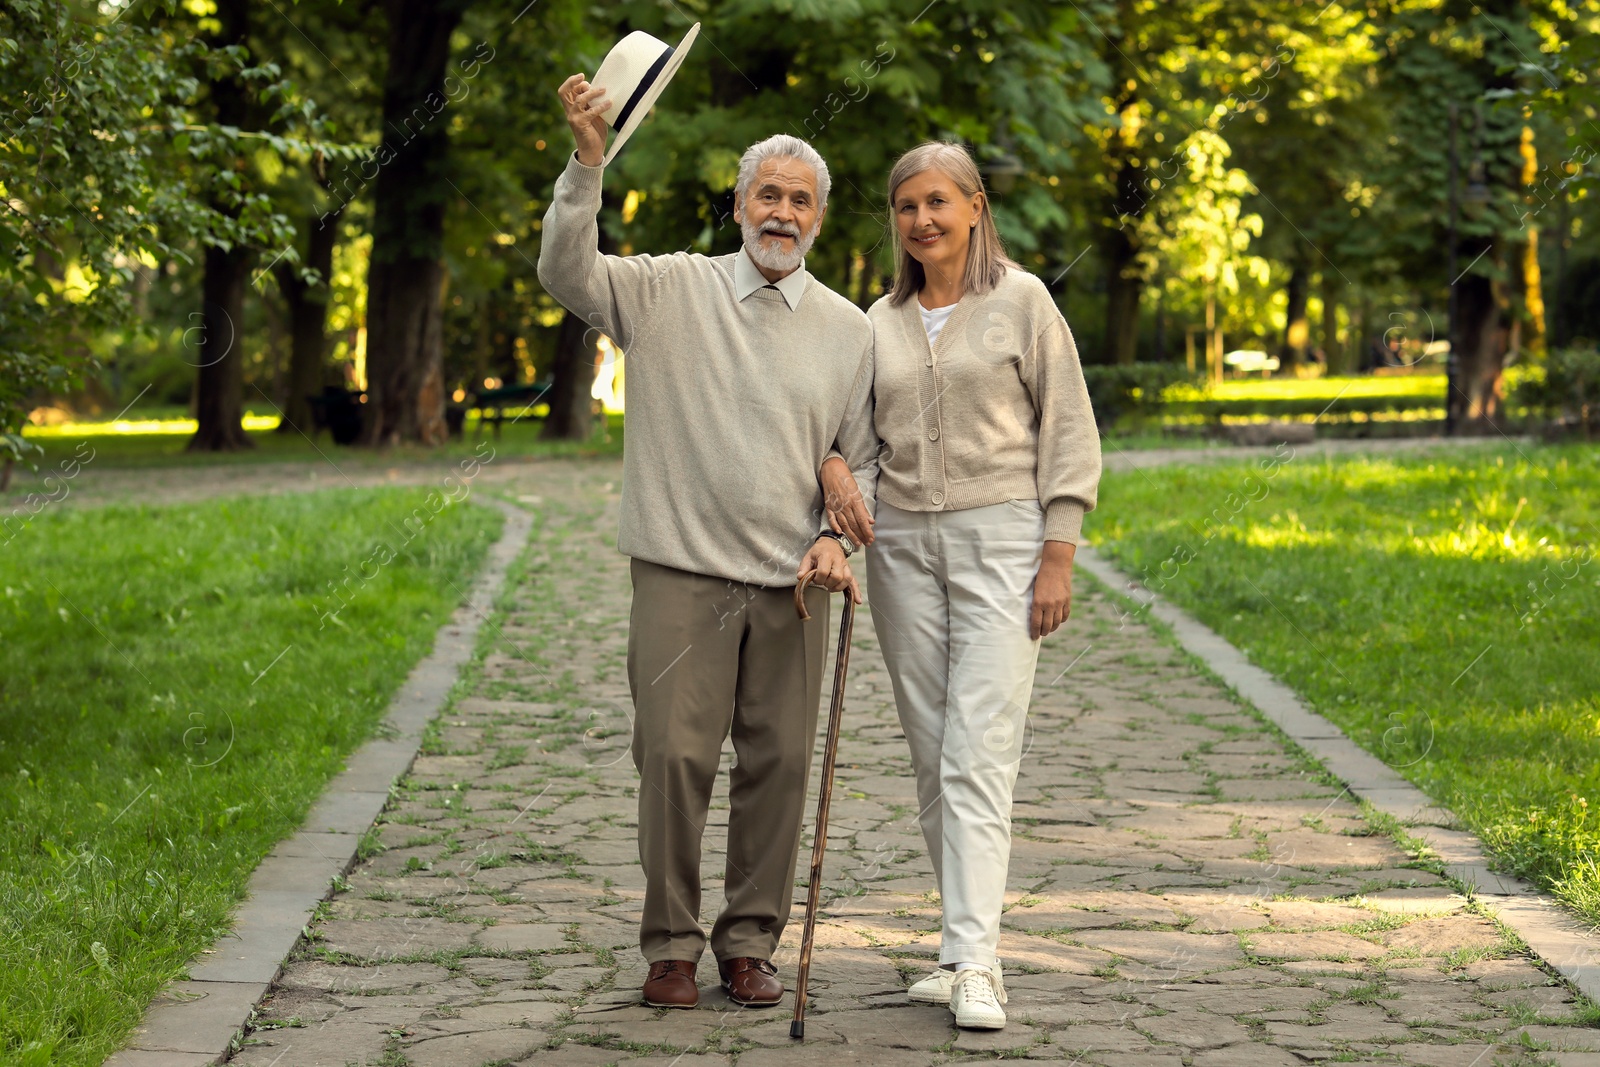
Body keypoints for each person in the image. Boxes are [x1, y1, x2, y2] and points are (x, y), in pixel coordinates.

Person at [538, 74, 878, 1010]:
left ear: (818, 219)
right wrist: (587, 164)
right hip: (682, 574)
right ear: (738, 205)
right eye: (767, 194)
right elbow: (566, 272)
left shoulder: (850, 332)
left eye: (799, 200)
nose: (782, 212)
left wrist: (834, 537)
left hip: (795, 585)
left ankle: (749, 944)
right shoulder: (665, 289)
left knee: (777, 766)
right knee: (674, 760)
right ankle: (671, 946)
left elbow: (866, 456)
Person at [821, 141, 1101, 1030]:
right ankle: (958, 944)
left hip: (1004, 541)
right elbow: (851, 435)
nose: (922, 221)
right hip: (902, 546)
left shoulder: (1021, 301)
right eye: (906, 207)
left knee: (980, 749)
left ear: (975, 206)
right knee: (935, 753)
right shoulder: (879, 320)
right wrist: (835, 483)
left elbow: (1070, 427)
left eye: (938, 202)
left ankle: (978, 962)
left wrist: (1059, 549)